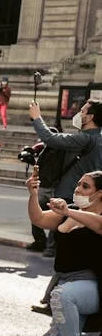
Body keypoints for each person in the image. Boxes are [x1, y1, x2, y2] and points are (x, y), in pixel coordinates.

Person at [27, 170, 102, 336]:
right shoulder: (69, 211)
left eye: (85, 186)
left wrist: (67, 212)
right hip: (67, 282)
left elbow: (97, 225)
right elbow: (39, 219)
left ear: (100, 193)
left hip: (92, 286)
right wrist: (33, 194)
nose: (78, 188)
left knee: (62, 296)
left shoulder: (91, 215)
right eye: (78, 184)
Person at [29, 99, 102, 258]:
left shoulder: (86, 138)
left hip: (71, 193)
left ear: (90, 117)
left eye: (82, 111)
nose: (79, 114)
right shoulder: (98, 139)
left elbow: (50, 138)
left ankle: (55, 251)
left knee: (59, 226)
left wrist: (36, 118)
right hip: (90, 194)